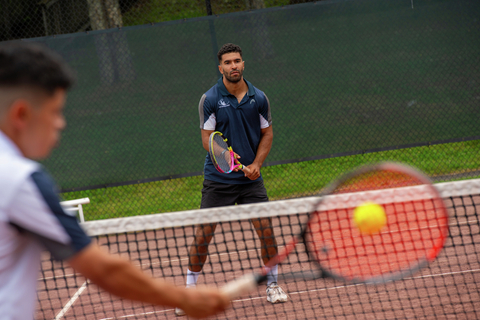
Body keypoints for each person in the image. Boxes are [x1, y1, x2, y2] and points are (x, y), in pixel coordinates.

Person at [0, 42, 229, 320]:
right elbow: (104, 270)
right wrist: (184, 298)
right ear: (21, 115)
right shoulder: (19, 180)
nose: (61, 123)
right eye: (54, 112)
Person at [176, 43, 287, 316]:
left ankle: (273, 284)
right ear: (220, 68)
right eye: (228, 62)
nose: (233, 66)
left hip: (252, 180)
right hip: (218, 179)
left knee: (266, 230)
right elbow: (207, 140)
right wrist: (234, 163)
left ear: (243, 64)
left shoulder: (259, 98)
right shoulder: (210, 99)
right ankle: (189, 293)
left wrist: (256, 164)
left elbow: (268, 134)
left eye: (237, 61)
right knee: (204, 235)